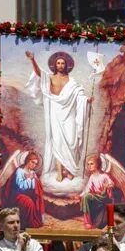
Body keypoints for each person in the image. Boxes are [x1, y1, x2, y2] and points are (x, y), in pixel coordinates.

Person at [25, 50, 92, 181]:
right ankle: (60, 172)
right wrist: (32, 60)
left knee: (72, 141)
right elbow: (39, 73)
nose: (60, 65)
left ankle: (69, 170)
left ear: (66, 66)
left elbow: (79, 94)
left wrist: (86, 100)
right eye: (58, 63)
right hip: (55, 113)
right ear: (54, 65)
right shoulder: (50, 77)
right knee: (58, 143)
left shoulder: (71, 81)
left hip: (69, 113)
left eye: (63, 63)